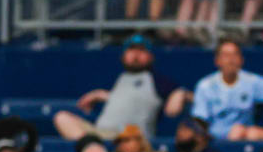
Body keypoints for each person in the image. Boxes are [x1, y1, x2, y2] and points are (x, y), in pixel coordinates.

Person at [54, 35, 186, 141]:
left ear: (150, 56)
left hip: (129, 138)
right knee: (62, 117)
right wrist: (99, 94)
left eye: (141, 50)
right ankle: (88, 146)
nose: (135, 55)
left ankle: (89, 148)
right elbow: (127, 99)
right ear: (123, 56)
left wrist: (180, 93)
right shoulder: (121, 78)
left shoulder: (157, 80)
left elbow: (178, 101)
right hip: (100, 134)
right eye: (132, 50)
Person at [191, 39, 263, 141]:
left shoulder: (251, 81)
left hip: (245, 140)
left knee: (250, 133)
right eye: (226, 55)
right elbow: (199, 121)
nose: (231, 60)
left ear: (242, 60)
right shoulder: (205, 85)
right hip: (215, 143)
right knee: (237, 132)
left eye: (235, 55)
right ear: (217, 61)